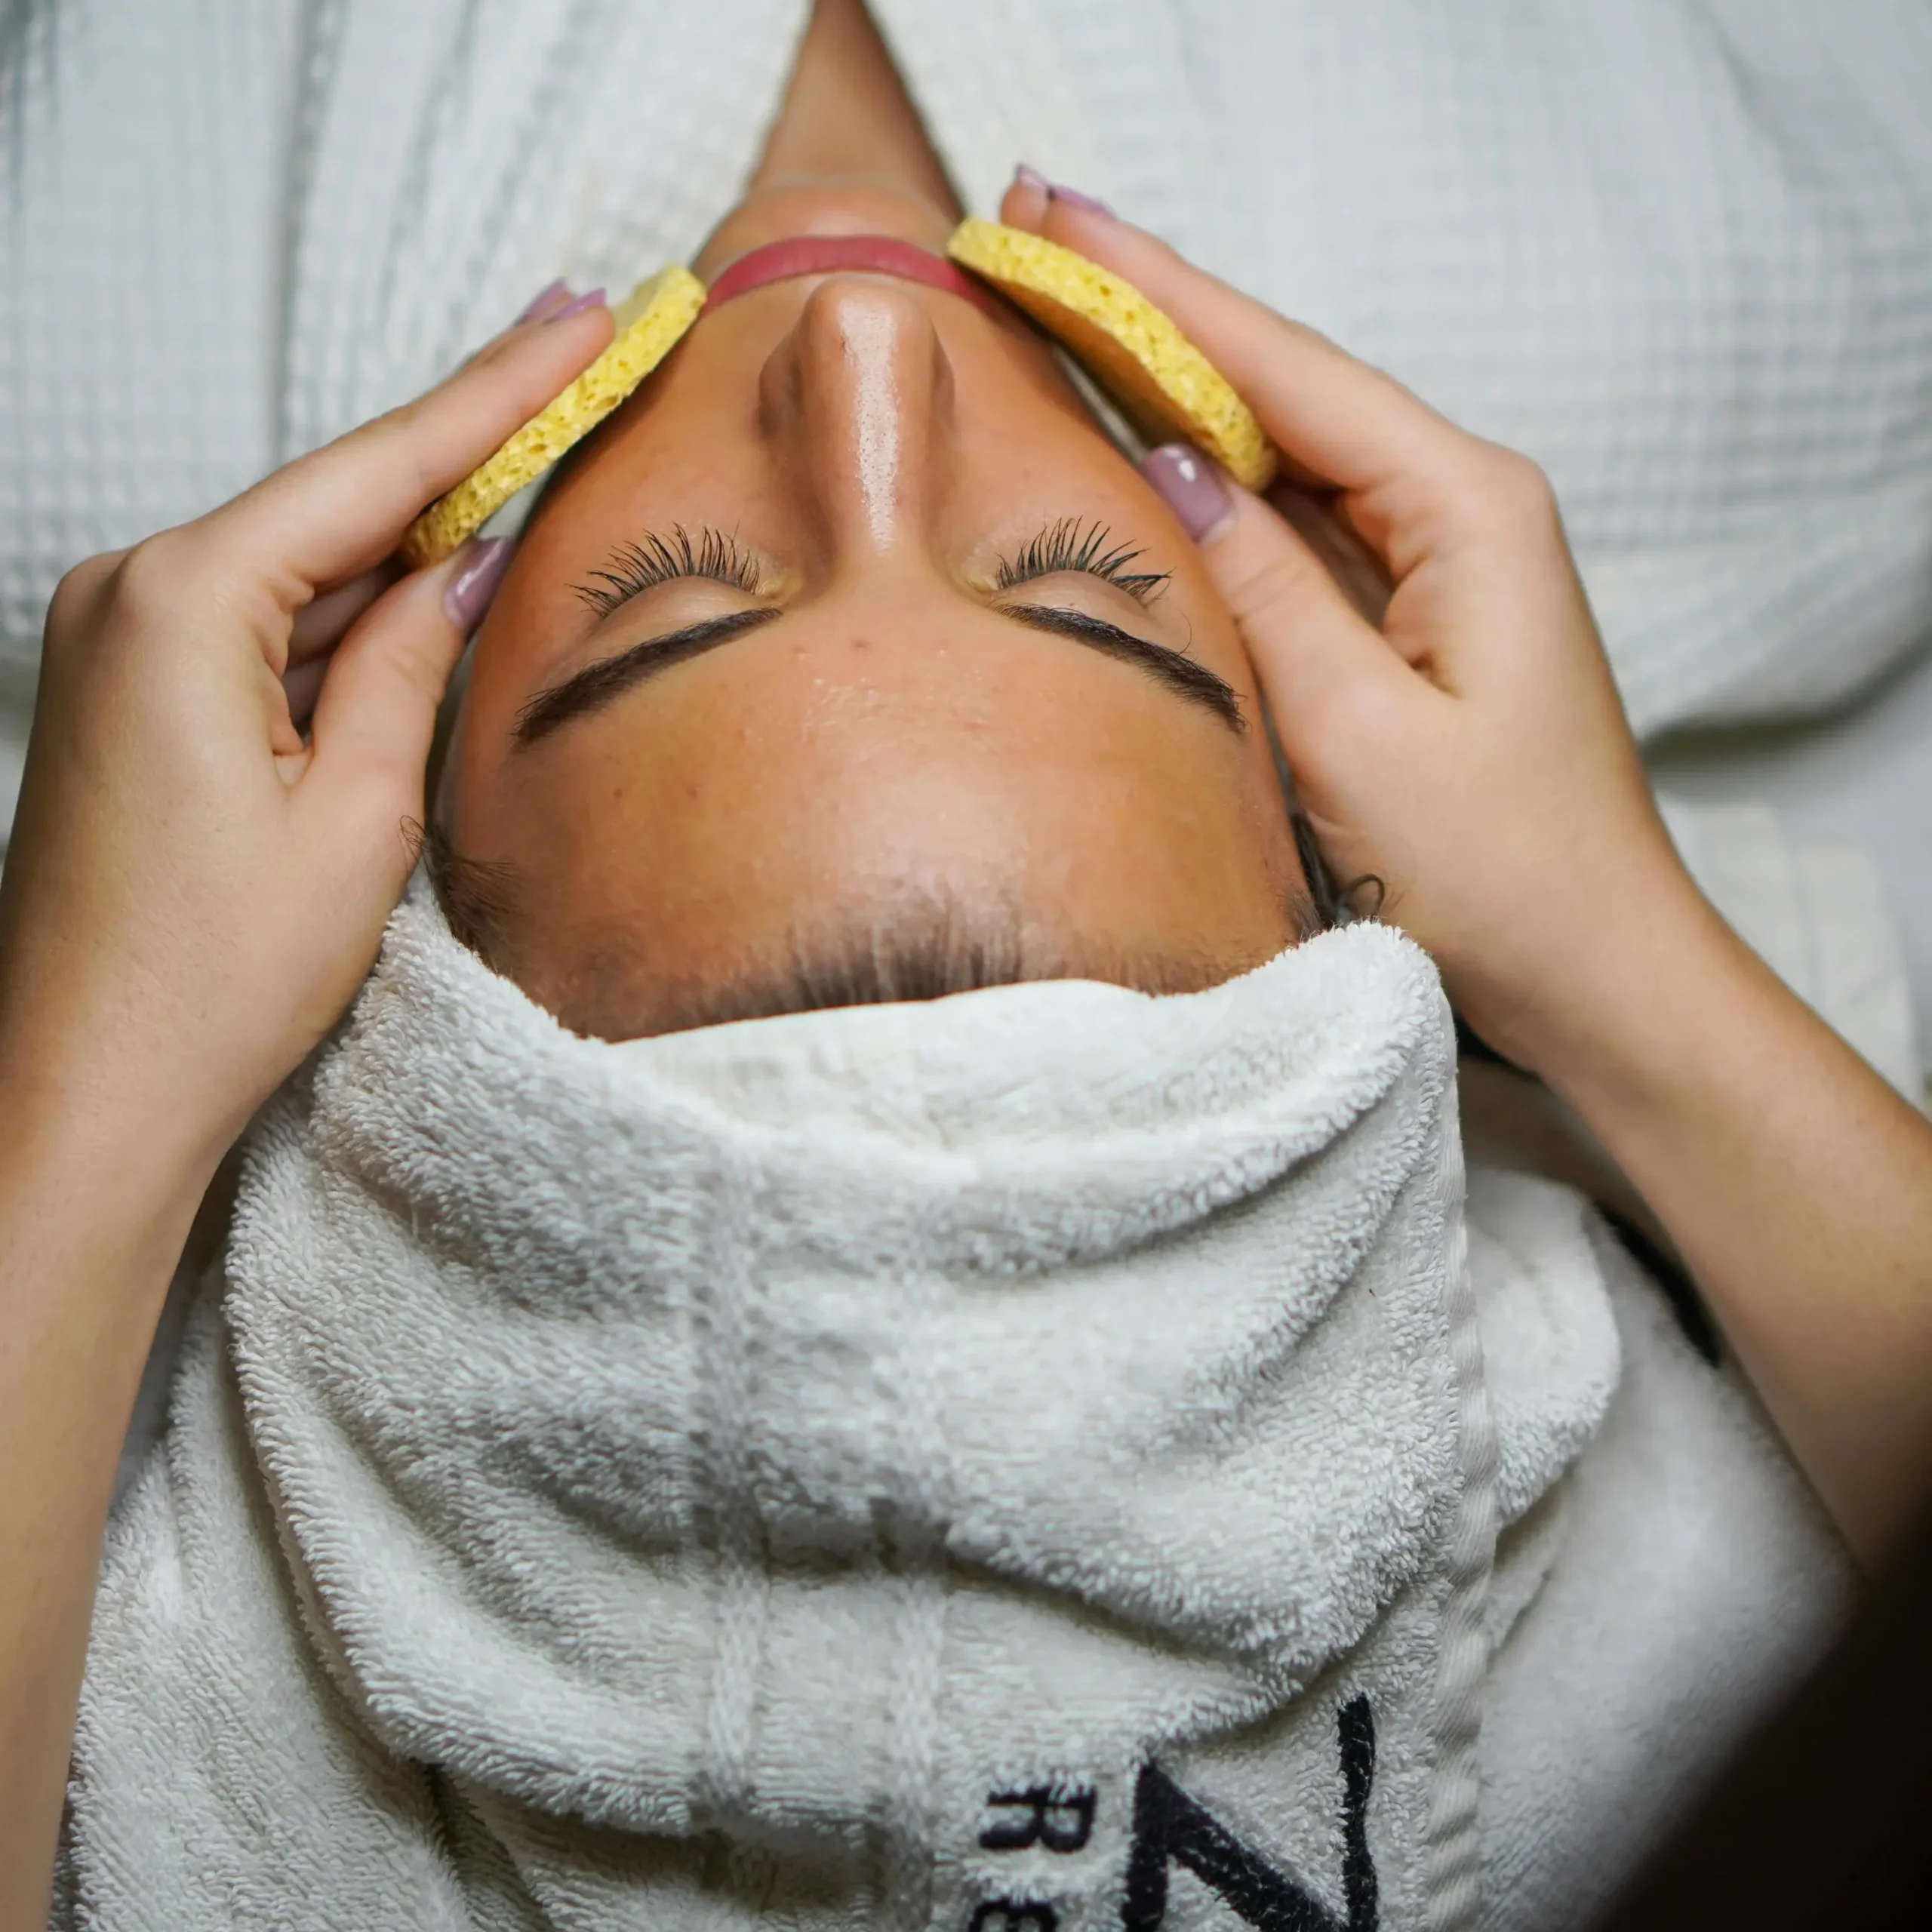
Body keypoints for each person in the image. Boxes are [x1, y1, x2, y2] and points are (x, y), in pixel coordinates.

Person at [3, 4, 1930, 1924]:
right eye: (1080, 589)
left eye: (659, 600)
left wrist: (88, 1098)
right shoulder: (1715, 310)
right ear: (1329, 815)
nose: (863, 359)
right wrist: (1614, 947)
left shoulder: (107, 325)